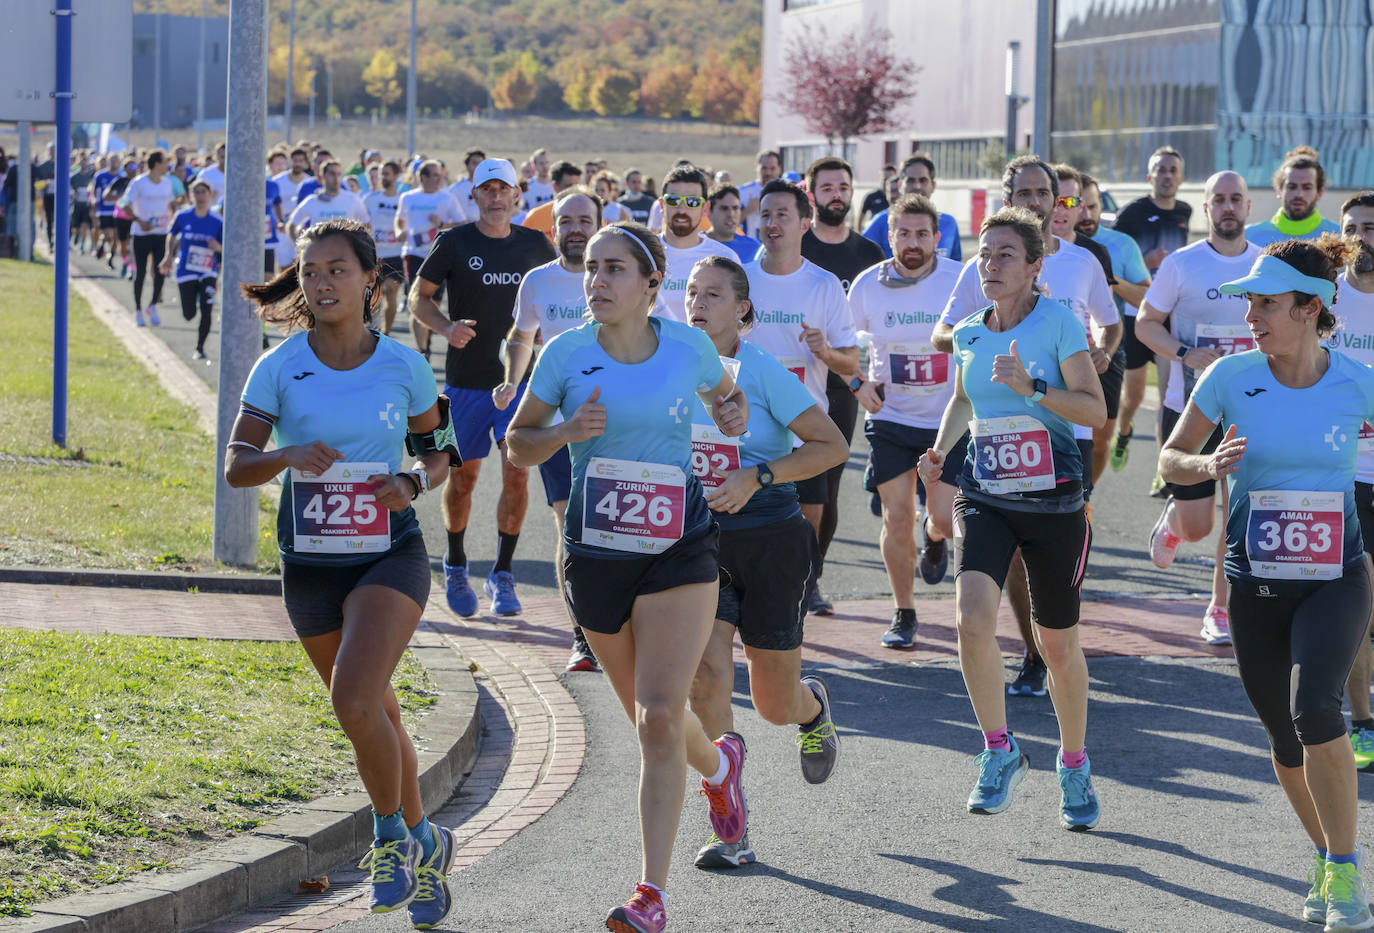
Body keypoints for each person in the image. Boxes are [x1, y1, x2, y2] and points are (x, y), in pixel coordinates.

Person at [504, 222, 750, 933]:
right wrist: (565, 433)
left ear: (651, 285)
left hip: (679, 547)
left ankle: (651, 892)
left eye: (614, 269)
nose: (597, 281)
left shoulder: (689, 346)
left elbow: (724, 400)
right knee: (656, 727)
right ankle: (720, 769)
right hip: (597, 556)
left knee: (662, 716)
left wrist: (730, 412)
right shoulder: (566, 353)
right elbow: (519, 445)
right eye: (590, 269)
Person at [227, 219, 459, 929]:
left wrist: (412, 484)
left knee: (356, 695)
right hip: (310, 565)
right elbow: (238, 465)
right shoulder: (279, 365)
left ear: (370, 281)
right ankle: (427, 840)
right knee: (375, 711)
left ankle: (389, 837)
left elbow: (440, 453)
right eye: (310, 271)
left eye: (336, 270)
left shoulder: (404, 365)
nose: (322, 282)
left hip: (390, 552)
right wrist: (287, 458)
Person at [1160, 236, 1374, 931]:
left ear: (1312, 309)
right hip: (1254, 583)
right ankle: (1324, 849)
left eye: (1267, 303)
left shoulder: (1356, 380)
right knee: (1285, 736)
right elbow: (1171, 454)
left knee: (1317, 709)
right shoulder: (1228, 377)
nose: (1251, 314)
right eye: (1248, 301)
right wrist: (1204, 463)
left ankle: (1344, 871)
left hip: (1336, 577)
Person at [917, 206, 1106, 830]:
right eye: (983, 253)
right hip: (987, 493)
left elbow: (1094, 409)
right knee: (971, 620)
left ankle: (1073, 762)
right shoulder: (970, 330)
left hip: (1054, 500)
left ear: (1034, 267)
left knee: (1057, 645)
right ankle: (999, 751)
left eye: (1004, 254)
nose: (989, 264)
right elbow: (965, 398)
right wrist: (942, 452)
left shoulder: (1059, 323)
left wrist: (1032, 388)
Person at [932, 155, 1118, 698]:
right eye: (1026, 192)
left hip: (1063, 451)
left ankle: (1051, 652)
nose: (1036, 202)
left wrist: (1075, 364)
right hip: (989, 469)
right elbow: (954, 353)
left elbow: (1106, 333)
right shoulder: (980, 280)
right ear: (1009, 194)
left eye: (1046, 193)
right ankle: (1028, 660)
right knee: (991, 576)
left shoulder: (1079, 270)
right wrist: (940, 451)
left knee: (1055, 606)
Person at [683, 255, 848, 869]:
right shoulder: (668, 370)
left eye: (714, 294)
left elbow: (830, 446)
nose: (698, 303)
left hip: (771, 536)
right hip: (698, 540)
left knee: (775, 703)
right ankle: (730, 822)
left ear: (742, 309)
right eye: (692, 292)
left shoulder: (764, 372)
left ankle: (814, 708)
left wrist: (759, 474)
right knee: (705, 674)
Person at [408, 158, 556, 618]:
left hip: (521, 384)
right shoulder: (454, 242)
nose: (495, 197)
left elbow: (562, 296)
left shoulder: (537, 244)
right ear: (474, 195)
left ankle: (503, 573)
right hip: (467, 384)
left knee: (517, 474)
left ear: (517, 195)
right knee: (464, 476)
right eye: (486, 189)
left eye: (503, 189)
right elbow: (418, 296)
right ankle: (455, 562)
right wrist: (445, 327)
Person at [1137, 171, 1261, 647]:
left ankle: (1219, 609)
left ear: (1248, 207)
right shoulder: (1181, 264)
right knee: (1198, 525)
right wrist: (1186, 354)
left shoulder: (1264, 265)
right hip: (1188, 406)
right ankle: (1175, 518)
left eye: (1236, 199)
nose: (1228, 207)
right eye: (1218, 200)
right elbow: (1147, 324)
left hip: (1250, 409)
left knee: (1237, 514)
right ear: (1206, 209)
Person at [495, 187, 605, 672]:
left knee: (617, 522)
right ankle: (582, 635)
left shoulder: (620, 276)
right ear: (553, 229)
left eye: (585, 220)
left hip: (615, 421)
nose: (575, 229)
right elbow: (521, 336)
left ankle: (625, 623)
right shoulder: (538, 281)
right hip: (559, 424)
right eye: (567, 221)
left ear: (600, 225)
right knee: (568, 521)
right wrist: (511, 382)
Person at [848, 194, 962, 648]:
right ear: (890, 236)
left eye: (921, 234)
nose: (912, 243)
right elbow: (839, 343)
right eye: (903, 234)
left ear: (937, 238)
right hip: (892, 418)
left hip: (948, 422)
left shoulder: (959, 279)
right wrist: (858, 385)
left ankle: (934, 538)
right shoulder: (866, 286)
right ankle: (904, 612)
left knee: (943, 518)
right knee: (896, 517)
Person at [744, 179, 859, 614]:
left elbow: (850, 363)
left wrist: (824, 351)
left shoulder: (824, 284)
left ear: (804, 224)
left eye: (782, 216)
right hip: (748, 428)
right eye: (766, 215)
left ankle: (804, 587)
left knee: (806, 521)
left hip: (804, 427)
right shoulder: (742, 278)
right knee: (748, 523)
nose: (772, 224)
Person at [1111, 146, 1192, 488]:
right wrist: (1148, 259)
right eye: (1160, 169)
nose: (1167, 175)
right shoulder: (1132, 214)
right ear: (1150, 176)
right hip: (1136, 313)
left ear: (1181, 177)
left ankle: (1163, 471)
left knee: (1168, 395)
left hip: (1169, 314)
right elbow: (1115, 262)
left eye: (1173, 169)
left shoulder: (1185, 212)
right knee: (1132, 397)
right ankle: (1125, 431)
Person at [1051, 164, 1125, 490]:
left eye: (1070, 202)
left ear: (1081, 206)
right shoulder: (1017, 250)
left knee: (1097, 440)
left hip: (1087, 365)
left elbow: (1105, 316)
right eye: (1055, 199)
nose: (1061, 209)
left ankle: (1085, 499)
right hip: (1033, 373)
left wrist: (1101, 352)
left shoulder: (1093, 253)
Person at [1077, 173, 1153, 474]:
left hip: (1107, 350)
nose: (1087, 215)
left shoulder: (1121, 245)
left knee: (1098, 441)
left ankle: (1087, 503)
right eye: (1078, 206)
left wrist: (1108, 277)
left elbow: (1146, 297)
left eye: (1093, 207)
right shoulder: (1051, 245)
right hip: (1061, 351)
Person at [1335, 193, 1374, 772]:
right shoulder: (1322, 299)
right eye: (1352, 228)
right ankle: (1362, 721)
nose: (1363, 236)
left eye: (1372, 227)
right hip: (1341, 470)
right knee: (1357, 599)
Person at [396, 160, 465, 358]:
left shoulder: (447, 198)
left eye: (440, 175)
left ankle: (427, 338)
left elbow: (462, 223)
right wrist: (400, 230)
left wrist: (442, 223)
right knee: (416, 299)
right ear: (422, 178)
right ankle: (423, 350)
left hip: (439, 254)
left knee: (433, 303)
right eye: (434, 175)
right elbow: (399, 219)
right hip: (414, 253)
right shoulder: (408, 197)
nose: (439, 178)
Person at [656, 166, 738, 322]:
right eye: (673, 201)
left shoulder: (725, 258)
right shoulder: (641, 253)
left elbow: (736, 320)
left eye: (692, 202)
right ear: (661, 205)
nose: (682, 209)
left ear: (705, 208)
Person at [158, 179, 222, 361]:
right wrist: (168, 256)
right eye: (197, 192)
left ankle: (200, 347)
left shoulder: (217, 221)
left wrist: (218, 247)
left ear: (210, 196)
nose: (200, 196)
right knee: (189, 314)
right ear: (191, 196)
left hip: (208, 272)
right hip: (186, 271)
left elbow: (227, 247)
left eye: (204, 192)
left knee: (207, 310)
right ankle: (190, 307)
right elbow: (171, 235)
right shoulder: (182, 216)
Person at [862, 153, 963, 262]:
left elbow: (956, 267)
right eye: (910, 180)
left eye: (923, 180)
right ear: (900, 185)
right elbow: (860, 258)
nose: (916, 186)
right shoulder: (880, 221)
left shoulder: (949, 223)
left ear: (933, 186)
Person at [118, 149, 178, 327]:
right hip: (141, 233)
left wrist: (172, 217)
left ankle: (152, 306)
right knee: (141, 273)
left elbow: (170, 203)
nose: (168, 165)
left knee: (161, 271)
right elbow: (123, 204)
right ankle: (137, 310)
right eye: (166, 161)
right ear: (157, 164)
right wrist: (138, 220)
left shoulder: (167, 183)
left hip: (160, 233)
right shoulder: (139, 183)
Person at [1247, 146, 1341, 247]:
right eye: (1291, 187)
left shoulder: (1338, 236)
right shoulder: (1248, 236)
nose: (1299, 194)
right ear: (1279, 190)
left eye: (1307, 187)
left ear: (1320, 192)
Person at [363, 160, 405, 335]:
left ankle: (386, 332)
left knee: (390, 290)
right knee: (373, 294)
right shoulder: (370, 199)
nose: (382, 177)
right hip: (374, 255)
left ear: (396, 176)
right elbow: (362, 223)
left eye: (386, 174)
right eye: (381, 174)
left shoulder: (402, 199)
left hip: (396, 253)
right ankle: (372, 328)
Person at [288, 161, 370, 242]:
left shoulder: (353, 199)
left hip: (345, 253)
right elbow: (291, 226)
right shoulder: (312, 201)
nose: (336, 178)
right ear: (322, 176)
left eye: (338, 174)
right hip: (319, 253)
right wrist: (300, 248)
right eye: (332, 174)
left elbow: (367, 226)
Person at [520, 161, 583, 239]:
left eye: (577, 186)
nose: (574, 191)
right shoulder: (535, 217)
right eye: (569, 186)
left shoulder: (592, 214)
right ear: (554, 186)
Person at [703, 185, 761, 263]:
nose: (731, 214)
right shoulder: (694, 245)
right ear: (708, 211)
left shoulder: (755, 248)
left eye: (735, 208)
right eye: (724, 208)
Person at [738, 149, 783, 240]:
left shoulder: (788, 193)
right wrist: (747, 210)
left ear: (779, 169)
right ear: (756, 167)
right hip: (750, 246)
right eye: (764, 168)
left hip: (778, 245)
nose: (768, 173)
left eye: (772, 169)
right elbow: (729, 223)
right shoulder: (741, 192)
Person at [91, 153, 122, 267]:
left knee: (115, 236)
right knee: (107, 234)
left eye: (116, 161)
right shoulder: (100, 176)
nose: (114, 163)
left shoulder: (120, 178)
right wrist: (94, 200)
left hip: (116, 210)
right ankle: (101, 244)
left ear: (119, 163)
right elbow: (94, 191)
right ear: (108, 162)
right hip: (103, 209)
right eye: (112, 161)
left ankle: (111, 256)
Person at [447, 148, 486, 222]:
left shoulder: (491, 188)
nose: (478, 166)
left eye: (480, 163)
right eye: (474, 163)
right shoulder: (454, 190)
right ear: (467, 165)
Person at [859, 163, 897, 229]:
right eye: (885, 179)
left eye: (890, 179)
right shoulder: (871, 197)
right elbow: (860, 219)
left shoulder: (901, 198)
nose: (887, 182)